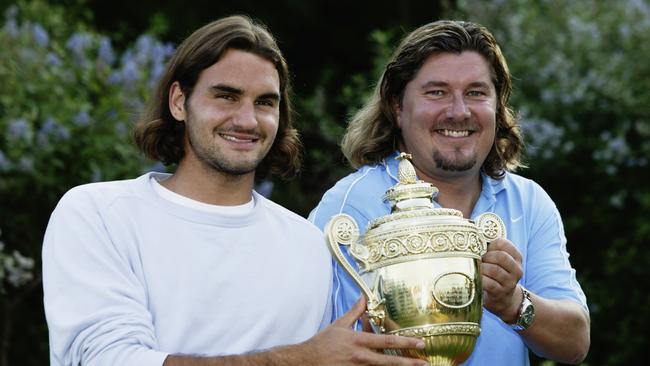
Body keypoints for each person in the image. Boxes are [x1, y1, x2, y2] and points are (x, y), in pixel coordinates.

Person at [42, 16, 429, 366]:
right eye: (226, 96)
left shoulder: (308, 245)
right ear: (179, 101)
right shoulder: (98, 214)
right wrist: (299, 360)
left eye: (264, 102)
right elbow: (110, 359)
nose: (246, 120)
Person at [309, 20, 590, 365]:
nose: (459, 112)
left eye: (476, 92)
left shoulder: (528, 202)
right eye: (436, 92)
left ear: (497, 108)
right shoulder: (348, 208)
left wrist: (514, 303)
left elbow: (575, 342)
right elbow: (323, 351)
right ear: (397, 107)